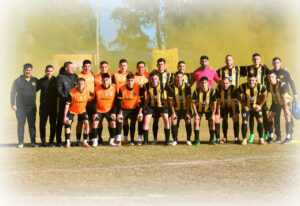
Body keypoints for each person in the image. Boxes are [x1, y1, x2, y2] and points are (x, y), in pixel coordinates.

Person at [240, 53, 269, 142]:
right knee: (251, 115)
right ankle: (252, 134)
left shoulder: (263, 68)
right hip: (250, 94)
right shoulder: (248, 68)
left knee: (263, 114)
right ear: (252, 60)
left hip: (260, 94)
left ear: (260, 59)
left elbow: (272, 73)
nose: (256, 60)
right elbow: (236, 71)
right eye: (254, 59)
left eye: (257, 59)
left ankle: (265, 134)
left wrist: (283, 70)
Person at [11, 63, 38, 148]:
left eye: (29, 70)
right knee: (21, 124)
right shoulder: (17, 81)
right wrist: (13, 104)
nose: (28, 71)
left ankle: (33, 142)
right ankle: (20, 142)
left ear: (31, 71)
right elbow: (12, 93)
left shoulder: (35, 80)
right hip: (20, 108)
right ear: (23, 70)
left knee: (32, 125)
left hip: (32, 107)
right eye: (26, 70)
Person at [271, 57, 297, 142]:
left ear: (280, 63)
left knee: (288, 115)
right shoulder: (271, 73)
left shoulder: (285, 72)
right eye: (274, 63)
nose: (276, 64)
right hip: (276, 100)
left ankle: (290, 135)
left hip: (286, 98)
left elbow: (291, 82)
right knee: (276, 118)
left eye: (278, 62)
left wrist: (295, 93)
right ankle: (278, 137)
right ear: (272, 64)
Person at [237, 74, 267, 145]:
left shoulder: (259, 86)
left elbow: (265, 94)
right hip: (246, 108)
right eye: (250, 80)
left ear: (255, 80)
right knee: (244, 121)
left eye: (253, 80)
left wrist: (260, 105)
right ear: (247, 79)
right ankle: (244, 139)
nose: (251, 82)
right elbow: (237, 95)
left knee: (260, 120)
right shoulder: (242, 87)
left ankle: (261, 139)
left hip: (256, 107)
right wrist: (243, 105)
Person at [143, 70, 170, 145]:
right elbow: (141, 95)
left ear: (158, 79)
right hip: (151, 106)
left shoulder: (163, 84)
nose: (154, 80)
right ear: (150, 79)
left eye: (155, 78)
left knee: (166, 119)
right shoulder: (146, 85)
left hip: (161, 106)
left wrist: (167, 102)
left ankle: (167, 140)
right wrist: (144, 106)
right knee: (146, 119)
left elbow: (171, 93)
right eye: (152, 79)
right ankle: (145, 141)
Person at [116, 74, 144, 146]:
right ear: (126, 81)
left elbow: (142, 101)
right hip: (124, 109)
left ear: (134, 81)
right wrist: (120, 113)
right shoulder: (121, 88)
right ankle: (121, 140)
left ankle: (136, 140)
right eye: (128, 80)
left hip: (134, 109)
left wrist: (140, 112)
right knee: (120, 119)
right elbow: (118, 102)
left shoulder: (138, 87)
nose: (130, 82)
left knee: (137, 120)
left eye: (131, 80)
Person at [266, 70, 293, 144]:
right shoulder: (268, 84)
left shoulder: (282, 85)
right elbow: (266, 94)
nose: (270, 78)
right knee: (269, 117)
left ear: (276, 77)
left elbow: (284, 98)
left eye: (272, 77)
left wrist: (286, 109)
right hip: (276, 102)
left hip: (285, 102)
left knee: (287, 116)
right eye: (269, 77)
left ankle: (288, 137)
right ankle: (270, 137)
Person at [63, 78, 92, 148]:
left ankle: (84, 142)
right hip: (72, 110)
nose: (80, 85)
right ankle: (67, 142)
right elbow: (67, 105)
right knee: (67, 123)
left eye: (82, 84)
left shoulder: (87, 91)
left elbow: (92, 97)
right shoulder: (71, 92)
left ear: (84, 85)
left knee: (87, 124)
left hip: (82, 110)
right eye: (79, 83)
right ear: (76, 84)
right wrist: (64, 116)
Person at [91, 73, 117, 146]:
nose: (105, 81)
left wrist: (114, 112)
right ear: (101, 80)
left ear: (109, 80)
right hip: (99, 110)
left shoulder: (113, 89)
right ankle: (95, 140)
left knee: (113, 123)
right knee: (95, 123)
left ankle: (111, 140)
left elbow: (115, 102)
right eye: (104, 80)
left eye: (107, 80)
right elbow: (94, 102)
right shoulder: (97, 89)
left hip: (109, 111)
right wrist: (95, 113)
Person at [167, 71, 192, 145]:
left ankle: (188, 139)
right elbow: (170, 101)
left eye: (180, 77)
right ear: (174, 78)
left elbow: (188, 100)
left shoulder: (187, 86)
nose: (179, 79)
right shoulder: (171, 87)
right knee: (174, 121)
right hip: (176, 109)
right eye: (177, 77)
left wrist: (188, 112)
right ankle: (175, 140)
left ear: (183, 78)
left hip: (185, 108)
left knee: (188, 120)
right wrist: (173, 113)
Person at [56, 61, 77, 147]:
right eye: (71, 68)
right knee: (61, 122)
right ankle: (58, 141)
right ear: (66, 68)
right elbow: (59, 90)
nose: (73, 69)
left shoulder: (75, 76)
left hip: (72, 104)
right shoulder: (60, 77)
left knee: (69, 122)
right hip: (62, 103)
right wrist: (67, 98)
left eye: (73, 67)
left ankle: (67, 141)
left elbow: (77, 88)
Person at [192, 76, 218, 146]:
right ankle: (197, 139)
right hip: (199, 110)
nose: (204, 84)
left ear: (208, 83)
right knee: (196, 121)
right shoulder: (196, 91)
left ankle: (212, 139)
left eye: (205, 83)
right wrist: (196, 114)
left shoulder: (212, 91)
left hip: (209, 109)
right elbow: (193, 103)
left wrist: (213, 115)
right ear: (200, 84)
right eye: (202, 83)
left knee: (212, 121)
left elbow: (215, 104)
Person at [112, 59, 132, 144]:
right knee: (118, 119)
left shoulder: (130, 74)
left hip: (128, 99)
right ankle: (117, 138)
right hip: (118, 99)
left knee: (125, 120)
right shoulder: (115, 75)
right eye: (121, 65)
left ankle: (125, 138)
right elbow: (112, 87)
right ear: (119, 66)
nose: (122, 67)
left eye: (124, 65)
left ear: (127, 66)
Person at [151, 58, 171, 144]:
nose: (160, 66)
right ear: (157, 65)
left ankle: (167, 140)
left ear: (165, 65)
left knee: (166, 120)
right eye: (159, 64)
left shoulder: (168, 75)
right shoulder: (153, 74)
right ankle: (155, 139)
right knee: (155, 120)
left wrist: (169, 101)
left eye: (162, 64)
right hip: (155, 102)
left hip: (164, 102)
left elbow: (171, 88)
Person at [37, 65, 57, 147]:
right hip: (43, 106)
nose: (49, 72)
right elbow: (33, 90)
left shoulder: (56, 80)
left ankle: (51, 141)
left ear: (53, 71)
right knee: (42, 124)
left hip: (53, 106)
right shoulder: (41, 81)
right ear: (45, 71)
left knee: (53, 124)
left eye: (51, 71)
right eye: (48, 71)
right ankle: (43, 141)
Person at [94, 61, 114, 144]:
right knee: (98, 123)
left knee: (112, 122)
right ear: (100, 67)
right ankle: (99, 138)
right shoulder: (95, 77)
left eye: (105, 66)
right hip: (99, 106)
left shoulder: (112, 76)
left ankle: (112, 139)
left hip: (109, 106)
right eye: (102, 66)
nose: (104, 68)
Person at [215, 77, 240, 144]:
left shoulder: (233, 88)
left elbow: (233, 102)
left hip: (233, 105)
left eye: (227, 83)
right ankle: (224, 137)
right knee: (223, 119)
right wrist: (218, 113)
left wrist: (234, 113)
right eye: (223, 83)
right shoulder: (218, 88)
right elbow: (218, 102)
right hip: (223, 106)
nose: (225, 85)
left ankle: (236, 138)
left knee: (236, 118)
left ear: (230, 83)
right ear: (221, 83)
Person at [76, 60, 95, 146]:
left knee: (90, 121)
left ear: (91, 67)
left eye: (88, 66)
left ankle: (90, 138)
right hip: (82, 102)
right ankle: (78, 140)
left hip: (91, 102)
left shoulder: (93, 75)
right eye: (85, 66)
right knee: (80, 121)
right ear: (82, 67)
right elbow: (76, 88)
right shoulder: (79, 76)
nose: (87, 68)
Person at [134, 61, 149, 144]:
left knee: (143, 121)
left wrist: (167, 71)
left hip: (146, 102)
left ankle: (143, 139)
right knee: (138, 121)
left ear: (145, 67)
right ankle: (138, 139)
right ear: (136, 68)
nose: (141, 68)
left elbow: (157, 75)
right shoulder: (133, 76)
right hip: (136, 102)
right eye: (139, 67)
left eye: (142, 67)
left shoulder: (148, 75)